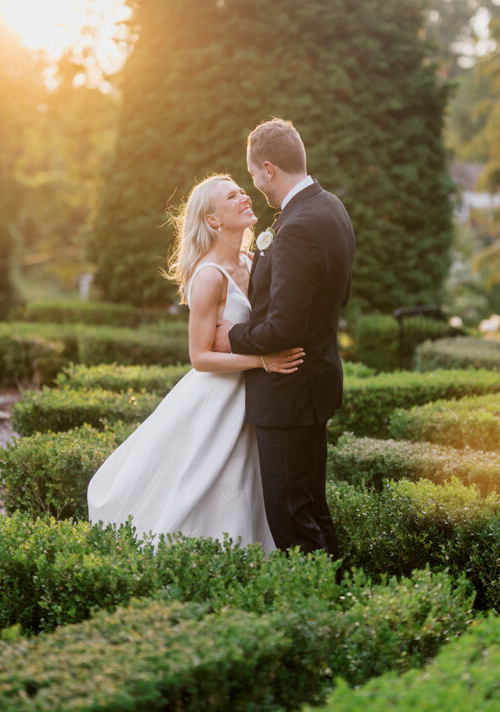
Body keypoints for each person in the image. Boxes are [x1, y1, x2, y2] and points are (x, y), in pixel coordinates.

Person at [87, 174, 304, 549]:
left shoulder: (252, 261)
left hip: (252, 397)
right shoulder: (208, 277)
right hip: (218, 397)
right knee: (215, 484)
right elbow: (200, 358)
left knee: (248, 483)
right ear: (213, 220)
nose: (244, 198)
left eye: (241, 191)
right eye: (232, 196)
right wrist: (262, 362)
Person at [214, 119, 355, 555]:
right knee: (311, 506)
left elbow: (284, 328)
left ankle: (322, 607)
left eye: (254, 174)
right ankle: (345, 593)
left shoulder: (296, 226)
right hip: (314, 381)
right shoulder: (330, 207)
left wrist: (230, 337)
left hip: (289, 388)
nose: (254, 184)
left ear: (269, 168)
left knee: (290, 514)